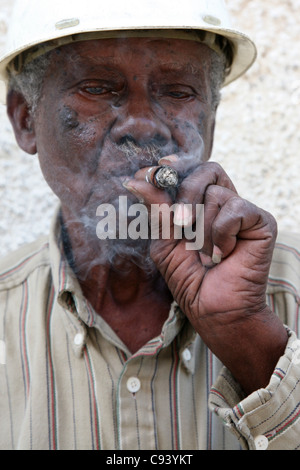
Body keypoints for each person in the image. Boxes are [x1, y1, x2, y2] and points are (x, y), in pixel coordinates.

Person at [0, 0, 299, 451]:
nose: (142, 126)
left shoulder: (288, 289)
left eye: (178, 92)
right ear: (26, 119)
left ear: (211, 120)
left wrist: (250, 337)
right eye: (98, 88)